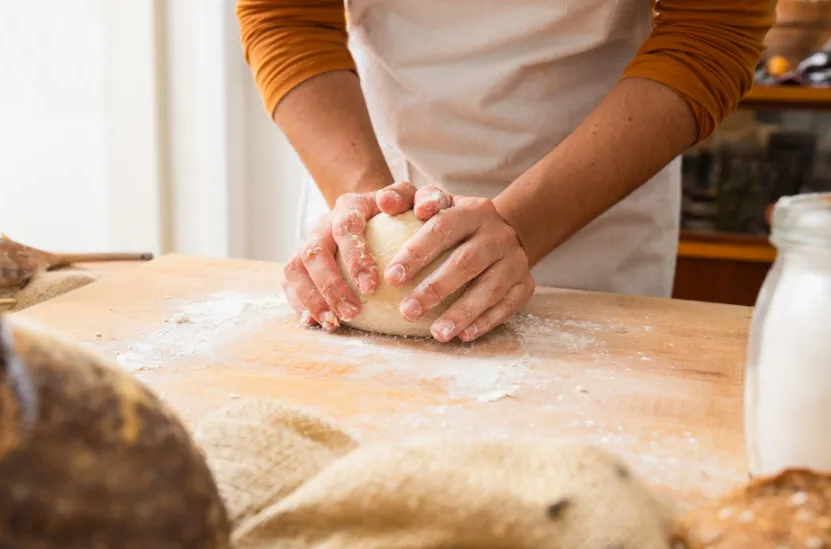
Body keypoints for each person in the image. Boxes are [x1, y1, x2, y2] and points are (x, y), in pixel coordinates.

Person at [236, 0, 775, 342]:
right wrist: (371, 206)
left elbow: (713, 29)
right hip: (370, 158)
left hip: (595, 193)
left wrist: (524, 224)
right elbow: (286, 16)